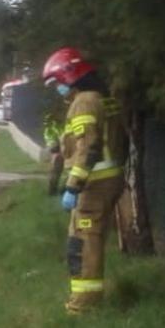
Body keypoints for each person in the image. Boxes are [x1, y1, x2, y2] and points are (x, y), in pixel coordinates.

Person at [43, 47, 128, 314]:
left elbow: (88, 147)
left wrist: (73, 186)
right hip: (109, 178)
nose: (57, 89)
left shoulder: (84, 102)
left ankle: (83, 306)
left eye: (57, 83)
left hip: (94, 183)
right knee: (88, 238)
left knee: (83, 242)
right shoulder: (103, 98)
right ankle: (87, 300)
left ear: (69, 75)